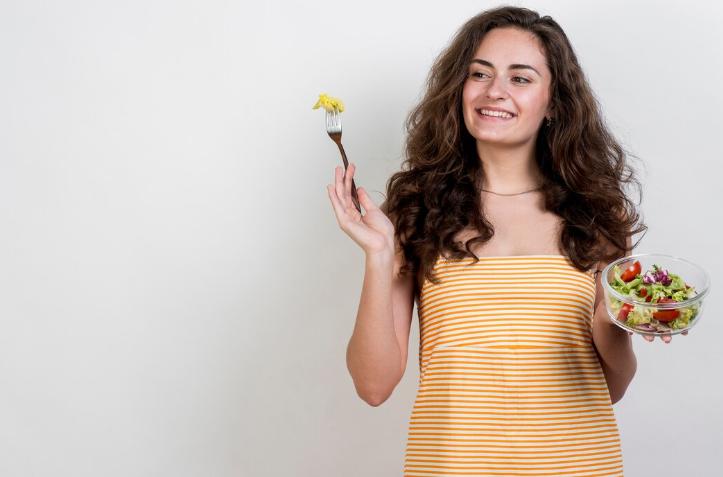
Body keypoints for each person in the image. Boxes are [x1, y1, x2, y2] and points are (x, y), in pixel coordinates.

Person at [326, 5, 685, 476]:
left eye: (521, 78)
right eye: (480, 73)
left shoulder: (595, 214)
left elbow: (611, 387)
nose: (495, 91)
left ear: (554, 102)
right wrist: (379, 256)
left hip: (577, 465)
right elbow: (373, 386)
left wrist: (613, 322)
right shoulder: (417, 211)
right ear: (460, 86)